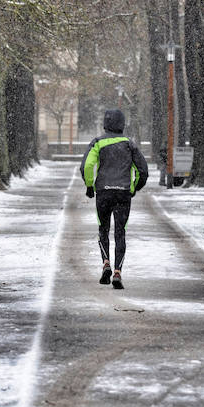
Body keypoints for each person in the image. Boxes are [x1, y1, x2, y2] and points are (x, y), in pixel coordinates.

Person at [79, 109, 149, 288]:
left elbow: (87, 165)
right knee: (120, 232)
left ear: (105, 124)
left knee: (103, 229)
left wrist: (89, 185)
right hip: (123, 193)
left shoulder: (97, 142)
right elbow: (143, 171)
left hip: (103, 191)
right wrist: (134, 187)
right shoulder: (129, 144)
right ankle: (117, 271)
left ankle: (106, 263)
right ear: (122, 124)